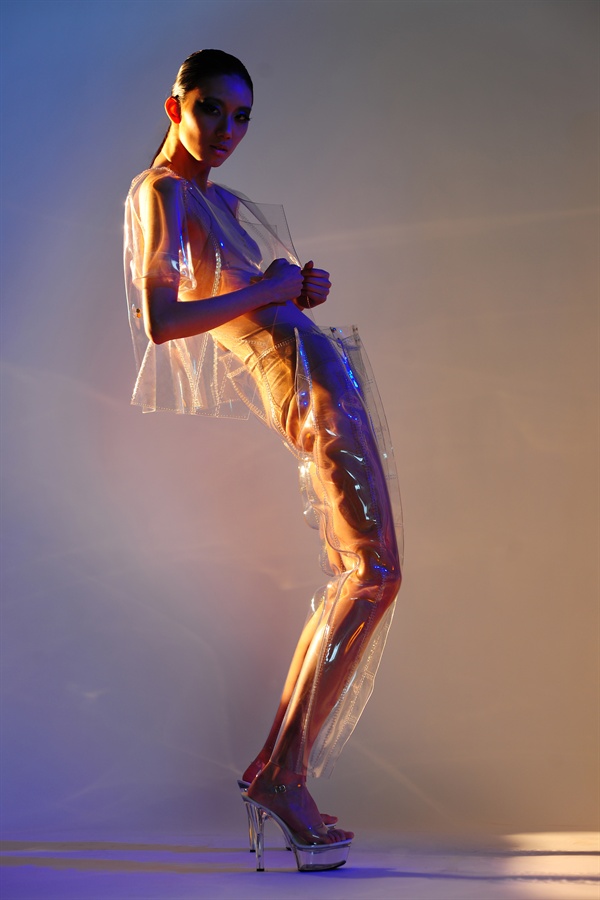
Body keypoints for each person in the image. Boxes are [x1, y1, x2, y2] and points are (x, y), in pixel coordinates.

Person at [124, 49, 402, 872]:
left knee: (364, 574)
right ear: (175, 106)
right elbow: (163, 320)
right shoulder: (162, 192)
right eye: (211, 108)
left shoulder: (214, 199)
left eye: (242, 116)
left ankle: (279, 772)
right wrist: (272, 290)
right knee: (372, 574)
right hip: (309, 395)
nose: (227, 129)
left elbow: (245, 299)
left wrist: (293, 291)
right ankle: (282, 775)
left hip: (324, 382)